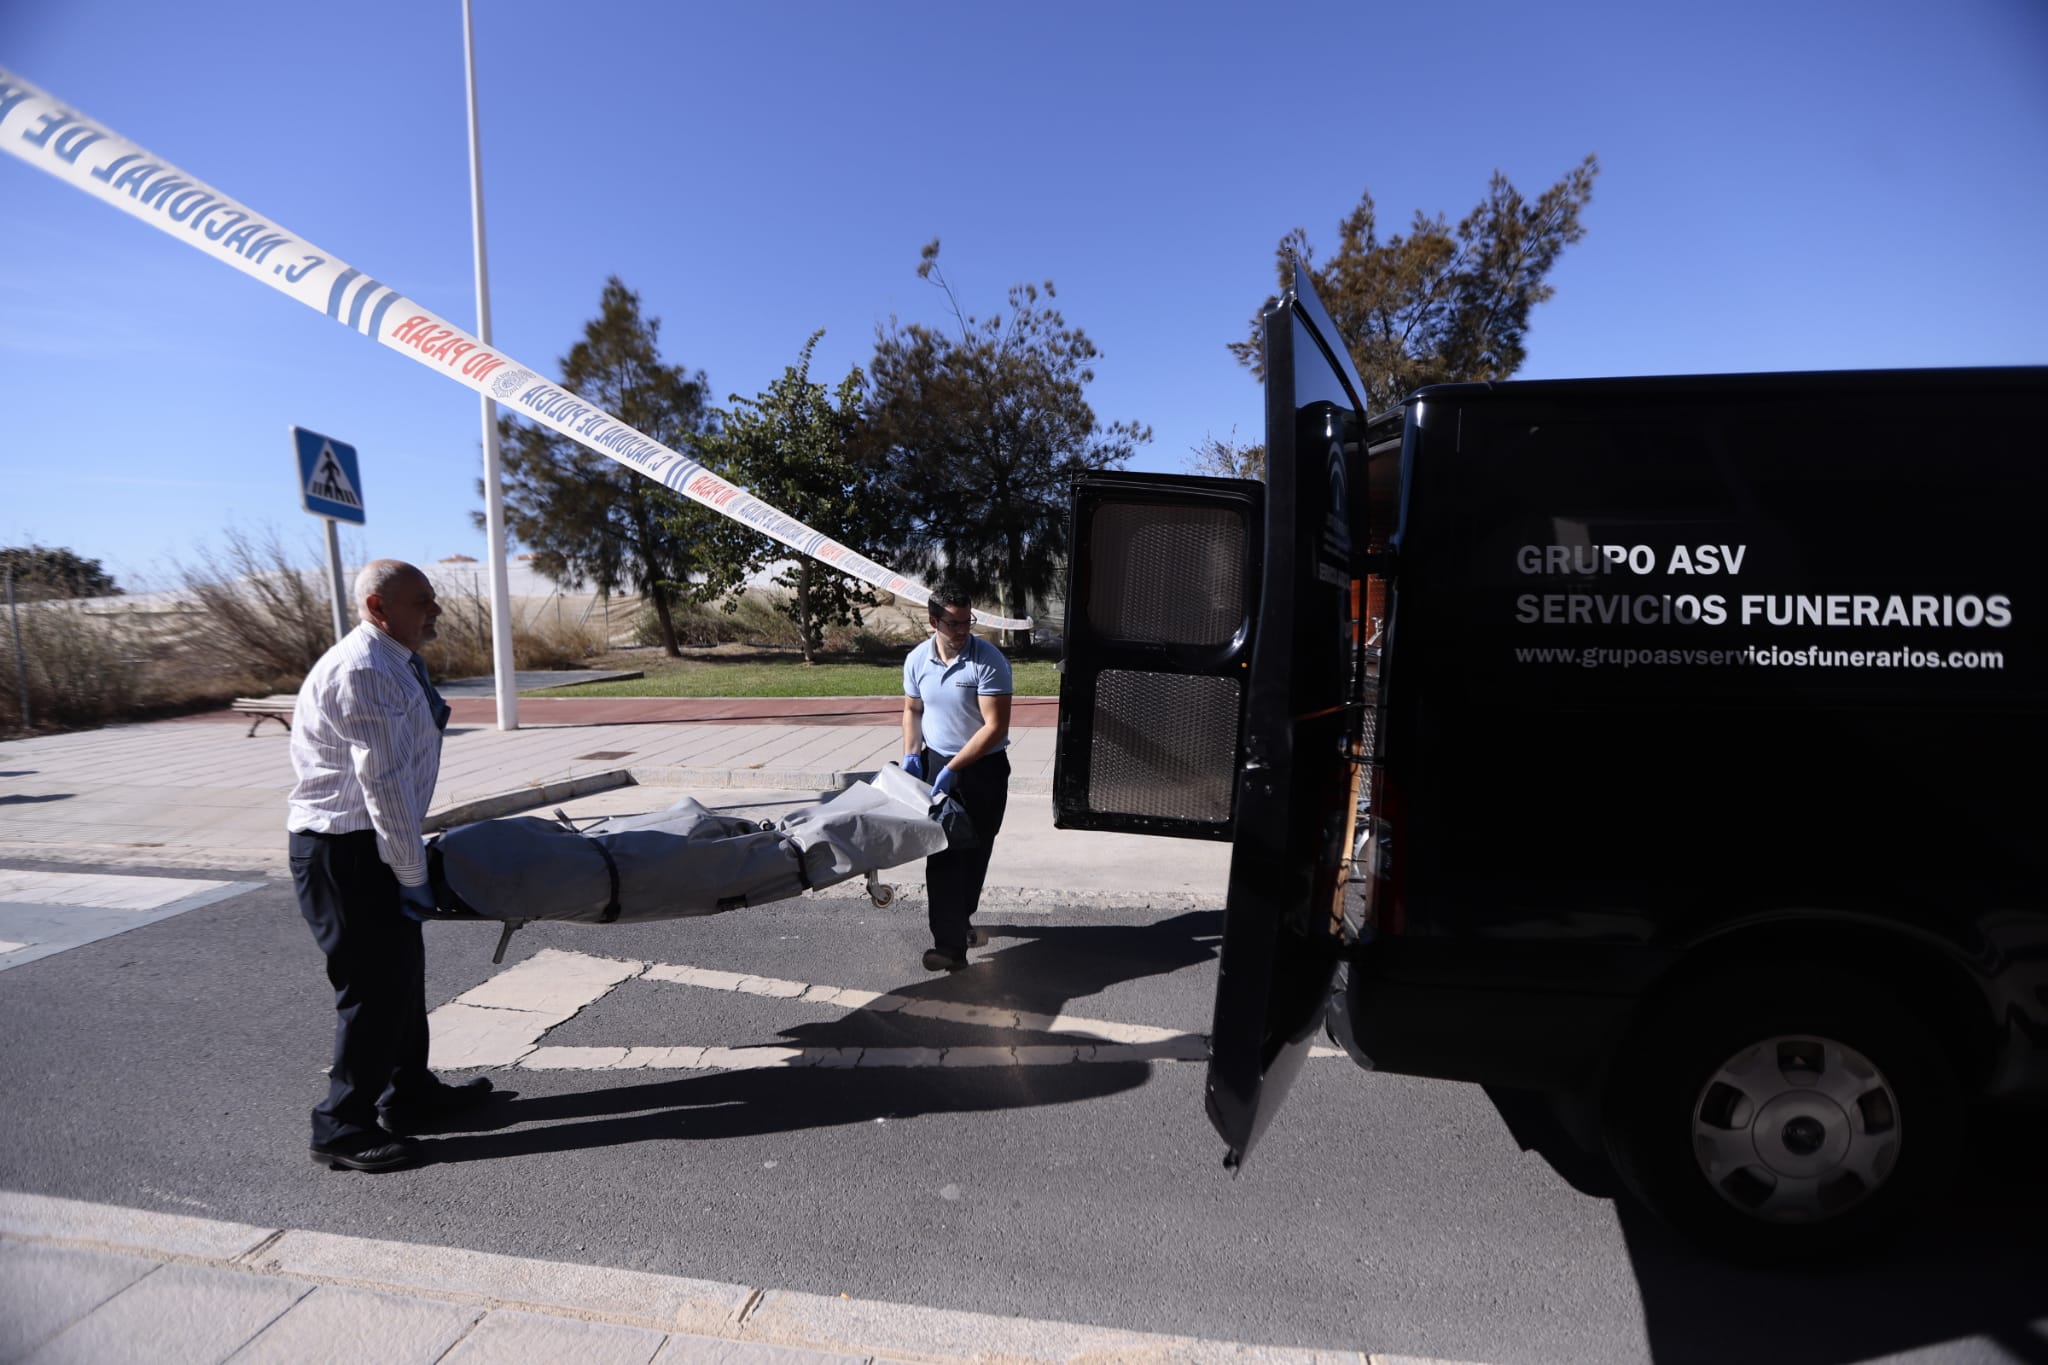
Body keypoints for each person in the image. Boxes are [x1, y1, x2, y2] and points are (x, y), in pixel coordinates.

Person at [286, 559, 492, 1172]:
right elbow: (384, 788)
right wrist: (412, 873)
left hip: (370, 844)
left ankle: (412, 1096)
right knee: (372, 994)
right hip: (346, 851)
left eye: (433, 599)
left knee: (401, 981)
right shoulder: (365, 670)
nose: (435, 610)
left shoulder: (392, 658)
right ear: (379, 608)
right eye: (421, 601)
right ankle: (340, 1128)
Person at [901, 582, 1012, 971]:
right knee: (942, 853)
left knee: (975, 852)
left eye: (968, 622)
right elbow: (913, 710)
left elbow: (995, 728)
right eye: (954, 623)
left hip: (983, 770)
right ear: (934, 621)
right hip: (936, 766)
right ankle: (948, 946)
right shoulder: (917, 660)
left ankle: (960, 917)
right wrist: (911, 754)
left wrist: (954, 768)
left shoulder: (989, 660)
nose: (963, 630)